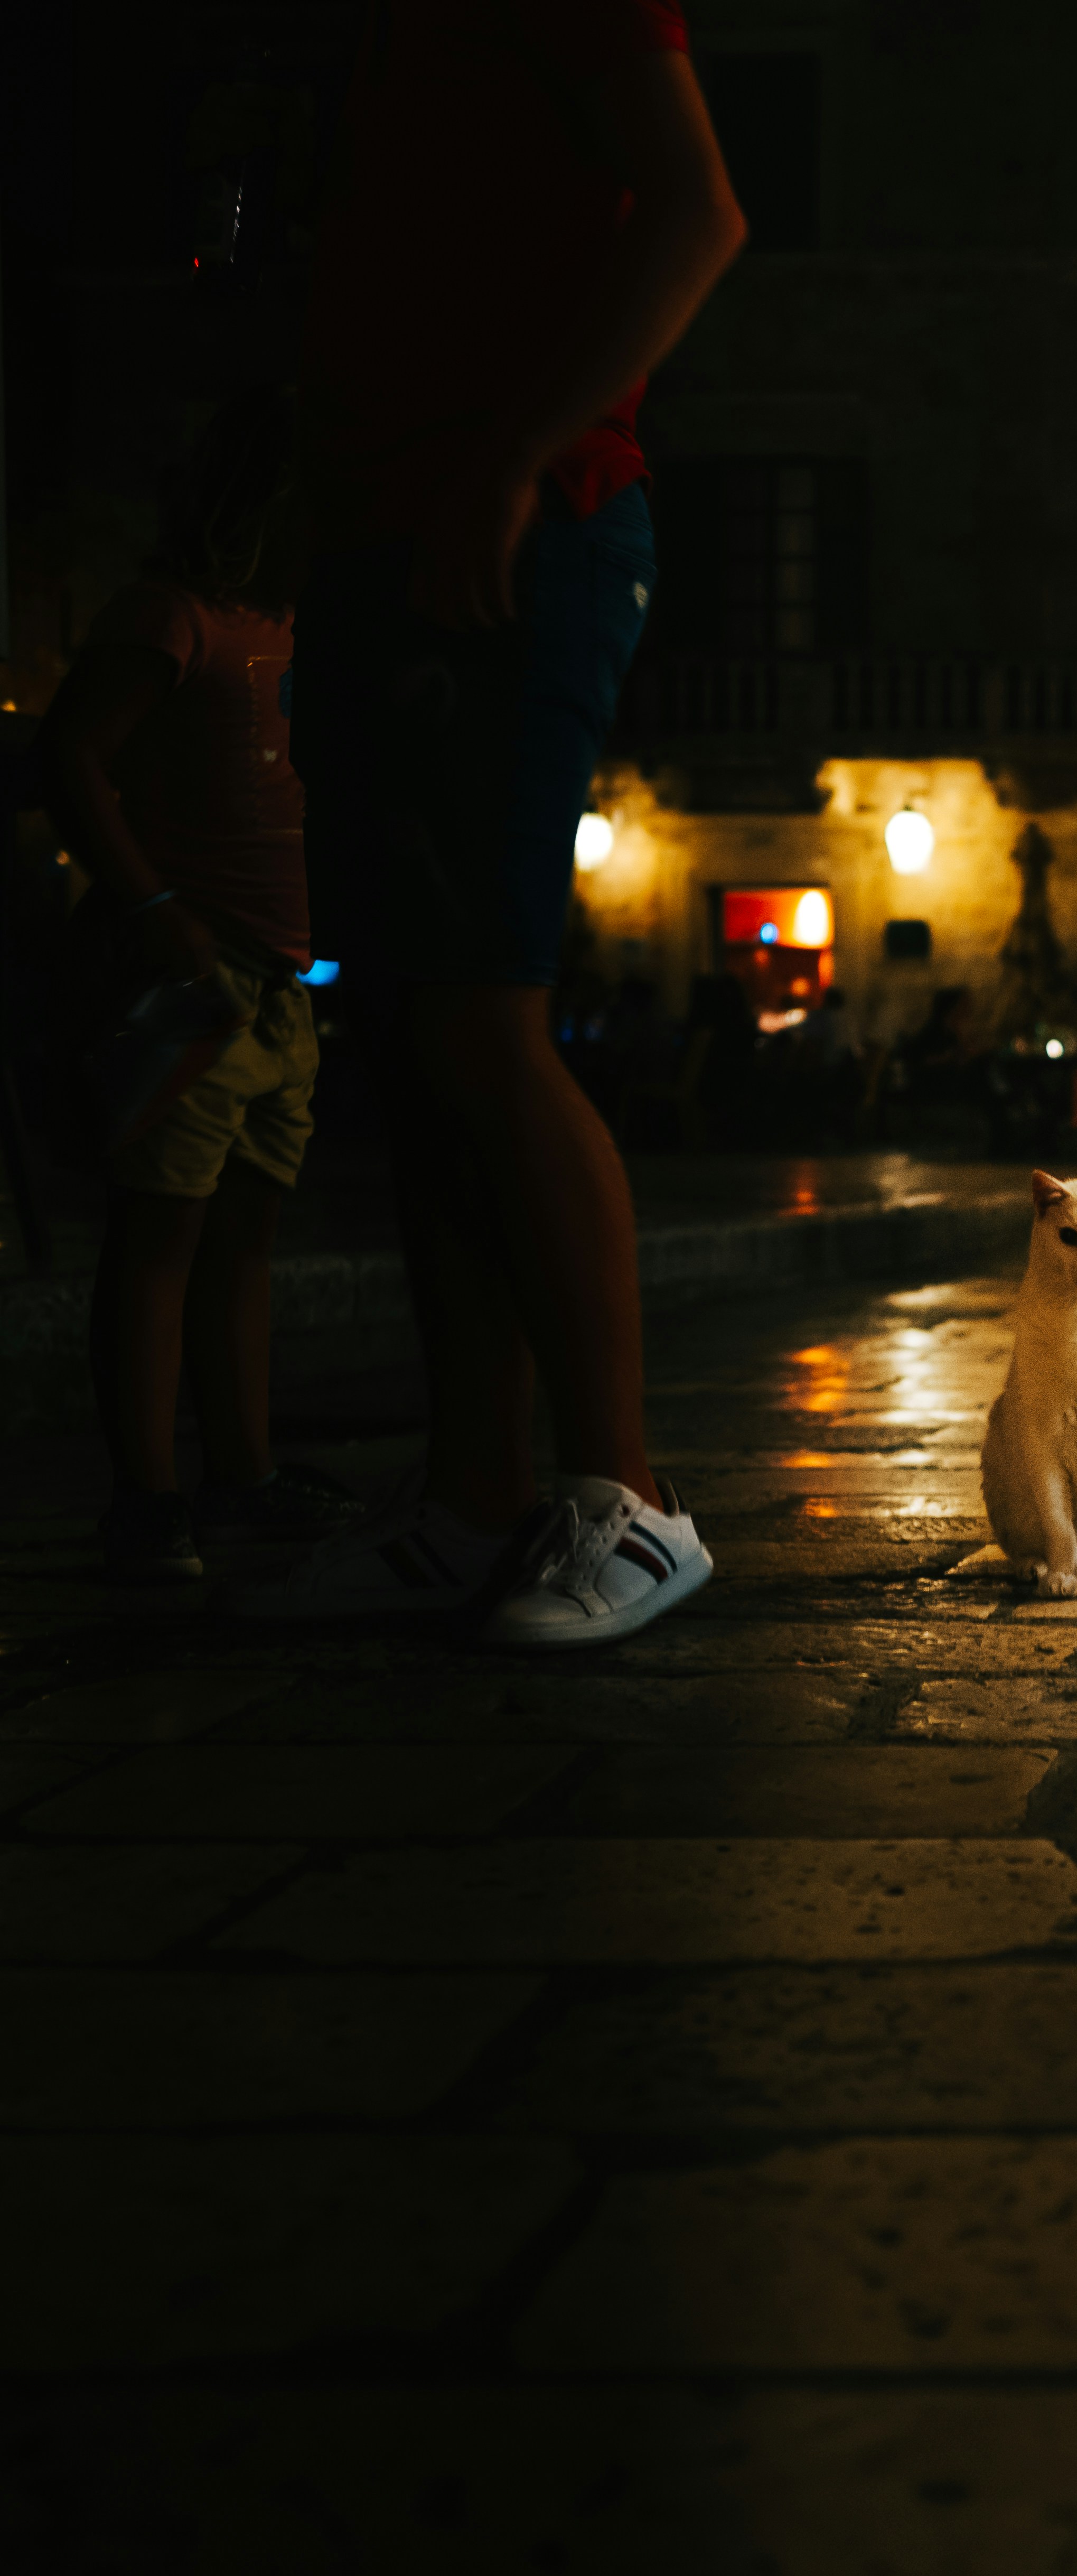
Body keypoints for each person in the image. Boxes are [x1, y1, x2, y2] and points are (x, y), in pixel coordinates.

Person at [264, 3, 746, 1644]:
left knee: (480, 1012)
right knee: (406, 1030)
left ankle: (633, 1495)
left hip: (517, 528)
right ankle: (473, 1493)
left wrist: (526, 449)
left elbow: (700, 210)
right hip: (384, 533)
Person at [36, 390, 363, 1585]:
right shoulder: (173, 617)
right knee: (161, 1234)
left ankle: (241, 1474)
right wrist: (155, 908)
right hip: (197, 972)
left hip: (277, 988)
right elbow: (72, 753)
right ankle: (149, 1496)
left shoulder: (281, 619)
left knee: (243, 1236)